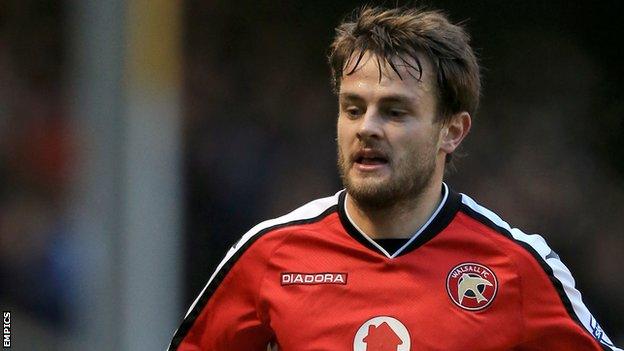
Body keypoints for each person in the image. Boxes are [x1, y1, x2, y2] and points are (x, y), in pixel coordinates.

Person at [168, 6, 621, 351]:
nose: (367, 127)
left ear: (452, 131)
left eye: (395, 111)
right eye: (353, 108)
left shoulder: (517, 266)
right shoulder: (269, 255)